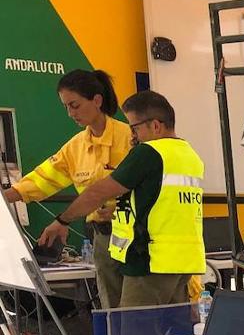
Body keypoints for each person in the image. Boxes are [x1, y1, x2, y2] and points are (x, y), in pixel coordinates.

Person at [41, 90, 205, 309]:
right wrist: (119, 212)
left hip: (150, 261)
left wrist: (62, 220)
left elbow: (98, 192)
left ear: (155, 126)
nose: (132, 136)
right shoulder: (189, 155)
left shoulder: (149, 152)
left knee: (134, 334)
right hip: (183, 262)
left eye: (135, 127)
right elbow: (163, 205)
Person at [3, 69, 131, 308]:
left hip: (137, 238)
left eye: (75, 105)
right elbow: (42, 179)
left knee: (140, 307)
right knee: (112, 308)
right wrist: (6, 197)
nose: (71, 113)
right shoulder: (75, 148)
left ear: (97, 100)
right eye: (66, 107)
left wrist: (119, 210)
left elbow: (153, 188)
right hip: (102, 239)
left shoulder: (130, 139)